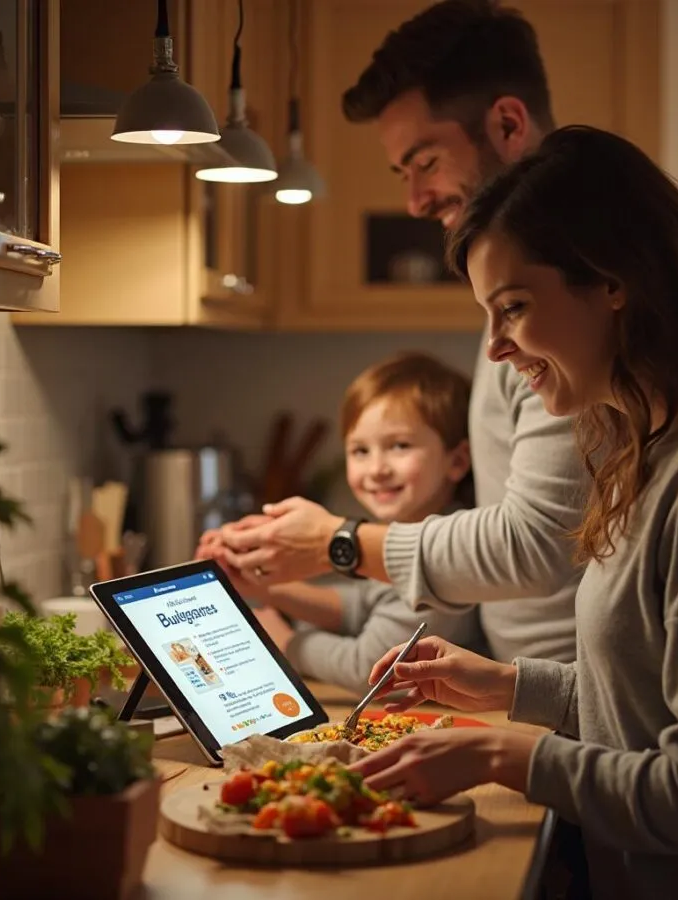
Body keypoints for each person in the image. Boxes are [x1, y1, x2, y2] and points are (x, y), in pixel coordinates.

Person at [345, 126, 678, 900]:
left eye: (512, 307)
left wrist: (497, 758)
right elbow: (652, 707)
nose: (497, 349)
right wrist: (509, 686)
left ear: (613, 280)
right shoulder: (666, 443)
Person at [201, 0, 586, 665]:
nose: (413, 201)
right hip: (538, 686)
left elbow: (535, 545)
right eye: (402, 173)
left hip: (571, 690)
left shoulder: (572, 296)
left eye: (426, 161)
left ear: (507, 124)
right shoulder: (522, 285)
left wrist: (335, 541)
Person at [199, 352, 483, 694]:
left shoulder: (447, 548)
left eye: (399, 446)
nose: (377, 468)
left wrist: (282, 639)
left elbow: (370, 668)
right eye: (360, 451)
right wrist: (261, 586)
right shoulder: (402, 532)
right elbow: (359, 607)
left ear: (457, 461)